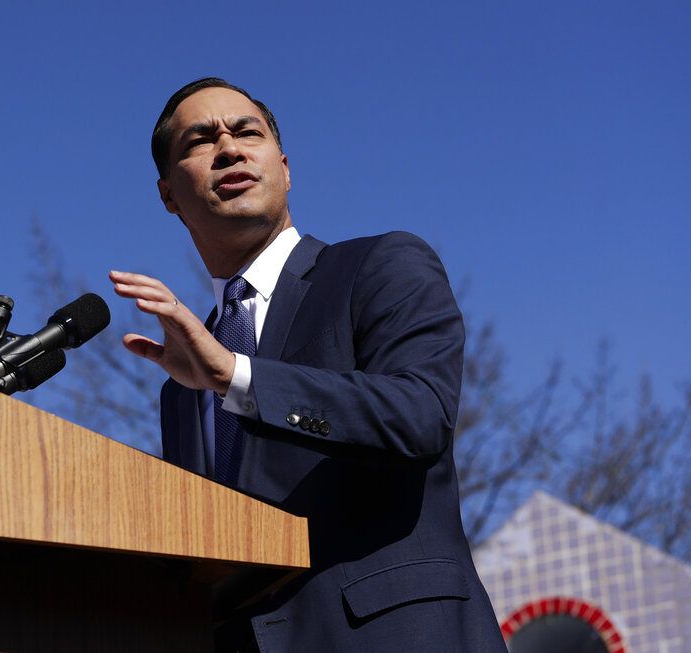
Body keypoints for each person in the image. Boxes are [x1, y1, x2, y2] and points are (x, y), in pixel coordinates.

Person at [110, 78, 507, 652]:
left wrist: (234, 376)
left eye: (248, 132)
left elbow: (419, 416)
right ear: (169, 193)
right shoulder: (182, 383)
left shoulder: (379, 266)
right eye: (201, 140)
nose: (230, 148)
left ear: (285, 167)